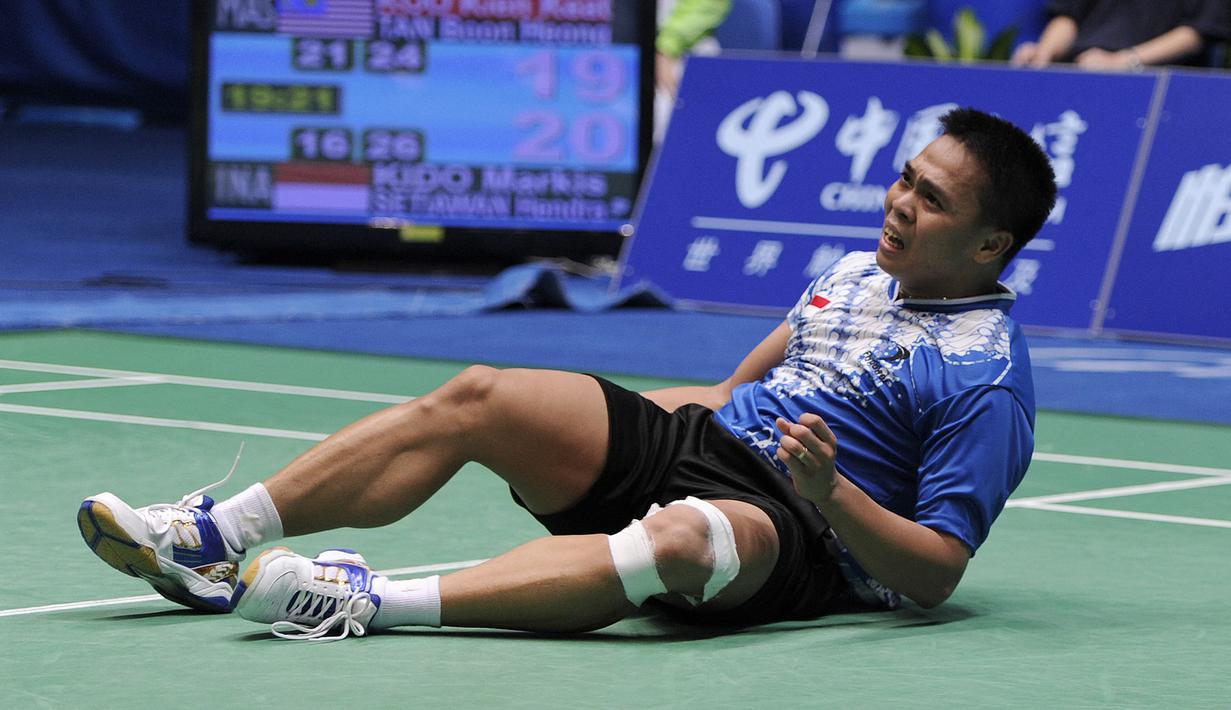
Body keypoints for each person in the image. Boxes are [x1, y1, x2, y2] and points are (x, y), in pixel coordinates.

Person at [77, 107, 1057, 641]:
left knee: (679, 536)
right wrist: (604, 424)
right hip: (713, 445)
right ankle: (210, 537)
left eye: (926, 198)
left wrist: (826, 490)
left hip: (798, 533)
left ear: (988, 244)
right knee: (483, 395)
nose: (895, 201)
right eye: (902, 176)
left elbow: (935, 573)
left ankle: (365, 600)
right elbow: (736, 387)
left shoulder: (985, 379)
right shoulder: (852, 273)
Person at [1011, 0, 1231, 70]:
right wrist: (1044, 51)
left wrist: (1124, 61)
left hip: (1158, 83)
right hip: (1081, 70)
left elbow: (1198, 32)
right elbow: (1068, 16)